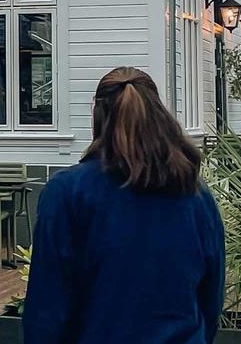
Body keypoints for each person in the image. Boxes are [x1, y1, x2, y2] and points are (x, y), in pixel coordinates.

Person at [22, 67, 224, 344]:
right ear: (159, 114)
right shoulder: (196, 196)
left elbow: (45, 311)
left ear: (96, 115)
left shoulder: (67, 194)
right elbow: (210, 302)